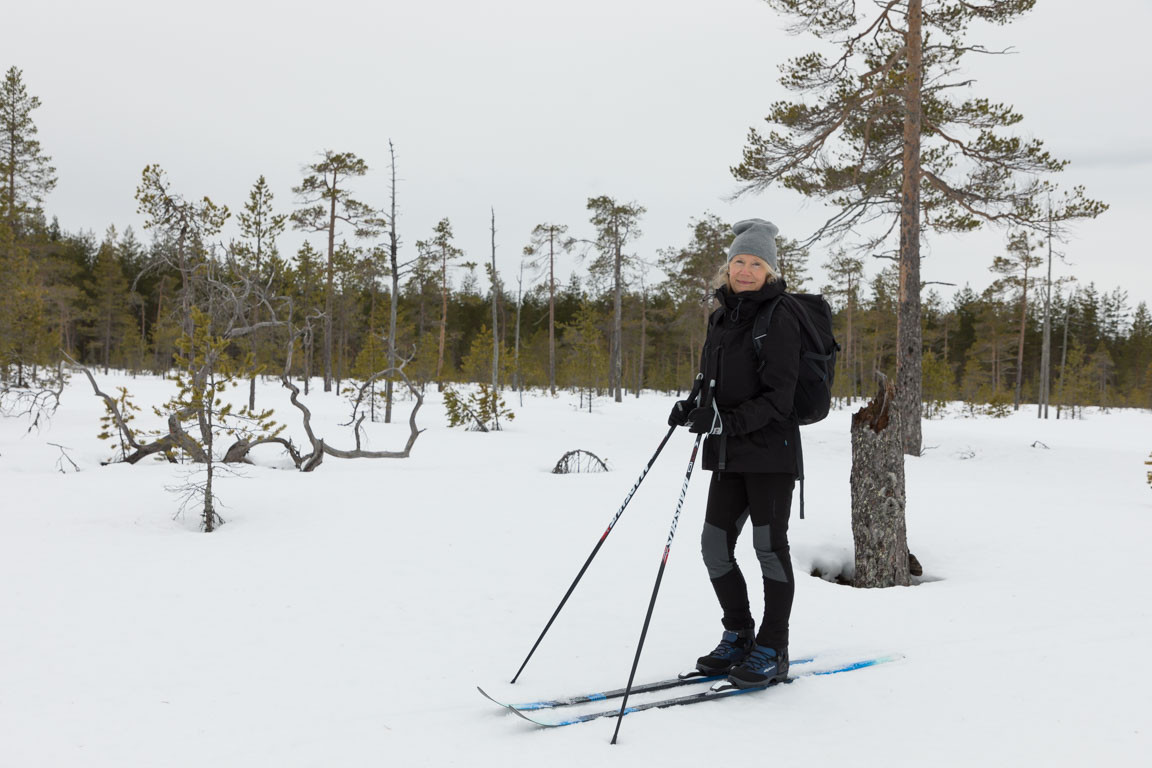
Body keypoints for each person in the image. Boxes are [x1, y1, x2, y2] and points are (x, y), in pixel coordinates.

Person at [667, 218, 801, 689]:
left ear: (770, 270)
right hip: (728, 452)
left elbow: (780, 398)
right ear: (727, 268)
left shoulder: (778, 315)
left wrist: (726, 421)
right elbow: (712, 379)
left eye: (755, 263)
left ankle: (773, 647)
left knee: (768, 549)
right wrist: (693, 404)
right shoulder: (722, 315)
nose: (745, 271)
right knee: (714, 547)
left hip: (770, 452)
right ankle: (739, 632)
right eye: (738, 261)